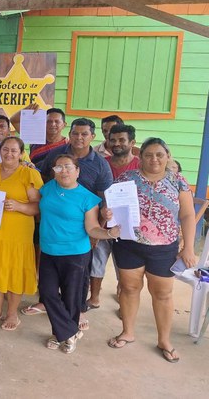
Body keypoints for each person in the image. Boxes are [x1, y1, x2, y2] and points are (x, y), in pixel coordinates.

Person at [108, 138, 196, 363]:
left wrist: (188, 247)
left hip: (164, 247)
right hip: (129, 244)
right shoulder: (127, 179)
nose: (154, 159)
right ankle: (127, 332)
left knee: (163, 293)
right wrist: (107, 216)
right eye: (148, 154)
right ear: (141, 157)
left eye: (159, 154)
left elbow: (187, 216)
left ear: (168, 156)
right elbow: (114, 209)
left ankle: (164, 340)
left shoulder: (178, 181)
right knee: (129, 288)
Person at [25, 118, 113, 327]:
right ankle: (52, 307)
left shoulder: (100, 164)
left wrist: (97, 232)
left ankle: (77, 313)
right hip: (53, 226)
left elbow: (104, 198)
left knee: (76, 281)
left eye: (84, 134)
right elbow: (42, 177)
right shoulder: (56, 155)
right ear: (69, 133)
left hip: (82, 229)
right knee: (48, 282)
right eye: (75, 133)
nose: (79, 138)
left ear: (92, 136)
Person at [38, 154, 118, 354]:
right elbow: (35, 206)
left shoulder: (88, 198)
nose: (63, 171)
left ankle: (62, 334)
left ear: (77, 171)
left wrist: (108, 233)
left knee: (71, 298)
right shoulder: (48, 189)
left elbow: (91, 228)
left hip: (75, 254)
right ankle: (71, 331)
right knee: (47, 293)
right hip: (48, 251)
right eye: (58, 168)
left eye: (67, 167)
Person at [0, 137, 43, 330]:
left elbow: (38, 206)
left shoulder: (29, 174)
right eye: (5, 149)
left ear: (21, 154)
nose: (9, 153)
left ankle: (12, 313)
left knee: (14, 272)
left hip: (17, 234)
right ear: (0, 150)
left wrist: (19, 206)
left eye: (14, 150)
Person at [88, 124, 139, 309]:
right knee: (97, 262)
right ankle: (94, 297)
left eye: (122, 140)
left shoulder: (139, 166)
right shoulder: (103, 164)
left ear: (131, 142)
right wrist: (98, 227)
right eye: (113, 140)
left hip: (130, 227)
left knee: (124, 269)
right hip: (103, 224)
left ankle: (123, 304)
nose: (117, 144)